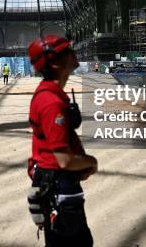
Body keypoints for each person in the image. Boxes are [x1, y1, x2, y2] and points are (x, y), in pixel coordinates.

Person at [27, 35, 98, 246]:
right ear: (56, 63)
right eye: (68, 51)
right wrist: (91, 162)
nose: (74, 53)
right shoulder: (51, 103)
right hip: (61, 188)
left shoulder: (51, 95)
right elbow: (64, 160)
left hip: (57, 183)